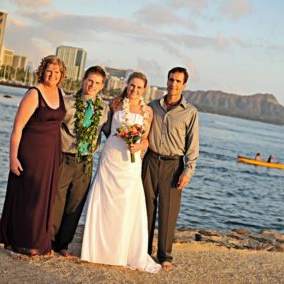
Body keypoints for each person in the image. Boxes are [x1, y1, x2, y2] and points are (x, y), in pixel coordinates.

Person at [81, 72, 161, 273]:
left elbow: (147, 139)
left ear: (144, 90)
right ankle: (97, 250)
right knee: (105, 200)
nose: (135, 90)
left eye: (139, 87)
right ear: (127, 85)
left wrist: (140, 146)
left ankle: (120, 250)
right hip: (111, 156)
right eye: (132, 85)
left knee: (125, 202)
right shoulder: (115, 103)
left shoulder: (147, 112)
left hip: (130, 161)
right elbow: (104, 127)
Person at [0, 55, 67, 256]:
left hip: (51, 153)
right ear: (43, 71)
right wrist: (13, 157)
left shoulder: (61, 93)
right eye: (49, 71)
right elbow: (17, 128)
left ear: (62, 75)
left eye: (57, 72)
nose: (52, 75)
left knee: (45, 197)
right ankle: (21, 242)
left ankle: (40, 242)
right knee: (29, 196)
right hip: (31, 153)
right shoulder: (34, 94)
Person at [142, 67, 199, 271]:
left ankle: (165, 255)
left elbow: (193, 145)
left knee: (168, 211)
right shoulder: (152, 106)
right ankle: (144, 251)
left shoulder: (190, 112)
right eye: (171, 79)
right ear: (166, 81)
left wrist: (188, 171)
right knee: (146, 208)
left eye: (177, 81)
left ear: (184, 85)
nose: (173, 84)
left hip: (174, 165)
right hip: (150, 161)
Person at [51, 66, 111, 257]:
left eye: (97, 83)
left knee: (75, 203)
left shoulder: (105, 110)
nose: (92, 85)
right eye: (89, 80)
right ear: (83, 80)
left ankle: (63, 244)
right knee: (57, 201)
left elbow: (111, 133)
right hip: (65, 157)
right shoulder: (67, 103)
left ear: (102, 86)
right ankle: (49, 241)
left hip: (85, 161)